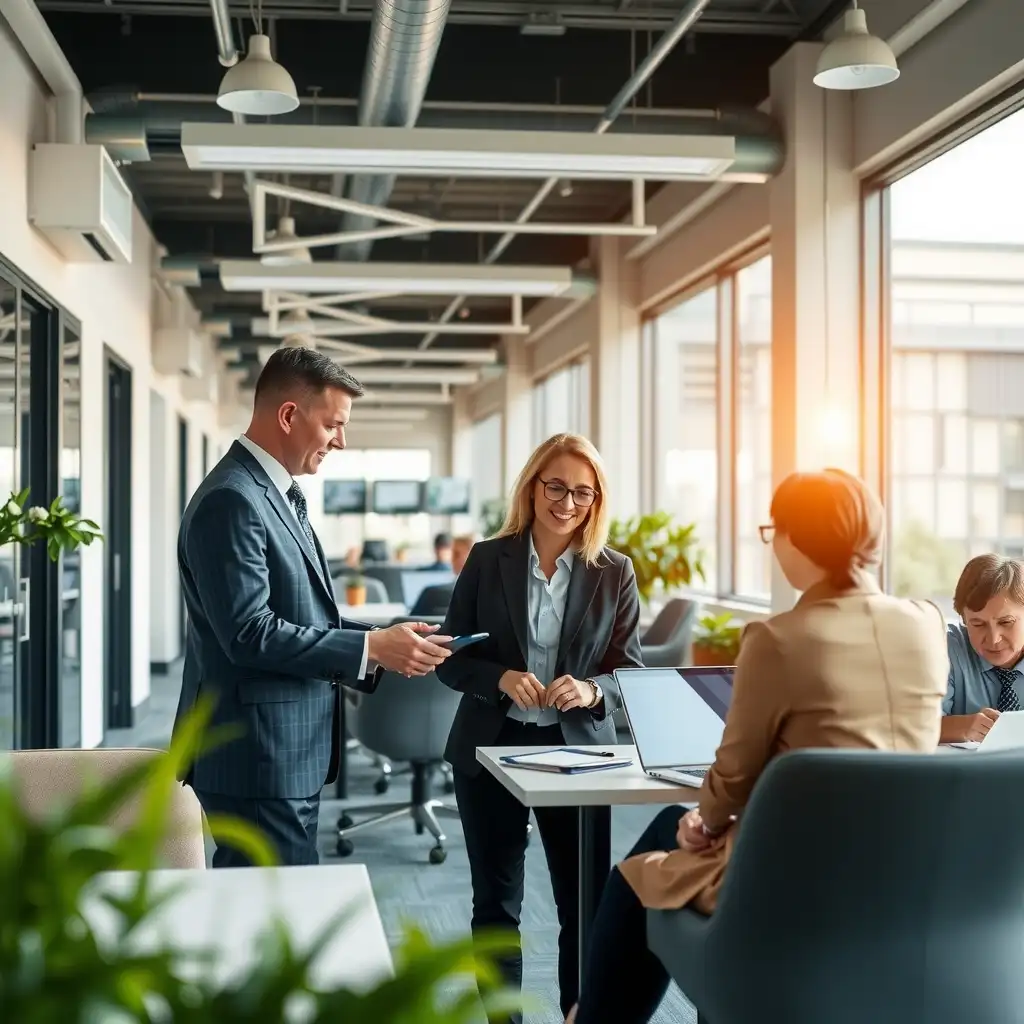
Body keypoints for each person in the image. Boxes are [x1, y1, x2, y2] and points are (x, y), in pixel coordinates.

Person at [566, 468, 949, 1024]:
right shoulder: (925, 624)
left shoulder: (779, 639)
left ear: (795, 539)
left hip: (794, 880)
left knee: (642, 866)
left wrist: (706, 819)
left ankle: (591, 1019)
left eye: (774, 533)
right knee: (672, 834)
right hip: (906, 877)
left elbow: (733, 780)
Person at [173, 347, 452, 868]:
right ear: (287, 416)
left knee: (282, 910)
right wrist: (369, 647)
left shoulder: (273, 494)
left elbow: (299, 614)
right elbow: (250, 633)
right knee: (272, 917)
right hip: (257, 756)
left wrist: (385, 638)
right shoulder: (232, 500)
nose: (341, 442)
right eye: (333, 425)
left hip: (281, 752)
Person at [437, 433, 644, 1023]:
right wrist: (499, 677)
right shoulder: (487, 558)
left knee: (583, 905)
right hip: (491, 748)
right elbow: (452, 656)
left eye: (583, 490)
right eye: (556, 486)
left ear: (596, 498)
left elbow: (631, 672)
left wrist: (592, 689)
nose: (567, 501)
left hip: (575, 755)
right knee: (497, 904)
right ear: (533, 486)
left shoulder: (615, 571)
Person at [941, 553, 1024, 744]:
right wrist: (961, 727)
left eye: (1006, 622)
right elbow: (913, 728)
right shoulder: (946, 649)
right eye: (977, 624)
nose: (994, 639)